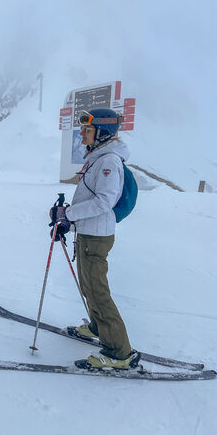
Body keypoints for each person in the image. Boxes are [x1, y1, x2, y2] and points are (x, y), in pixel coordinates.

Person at [50, 108, 139, 370]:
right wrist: (68, 221)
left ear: (102, 133)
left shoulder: (108, 161)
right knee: (88, 287)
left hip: (97, 235)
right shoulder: (98, 157)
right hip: (88, 233)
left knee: (99, 293)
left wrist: (68, 214)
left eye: (87, 130)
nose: (82, 135)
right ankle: (97, 327)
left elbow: (103, 202)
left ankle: (119, 352)